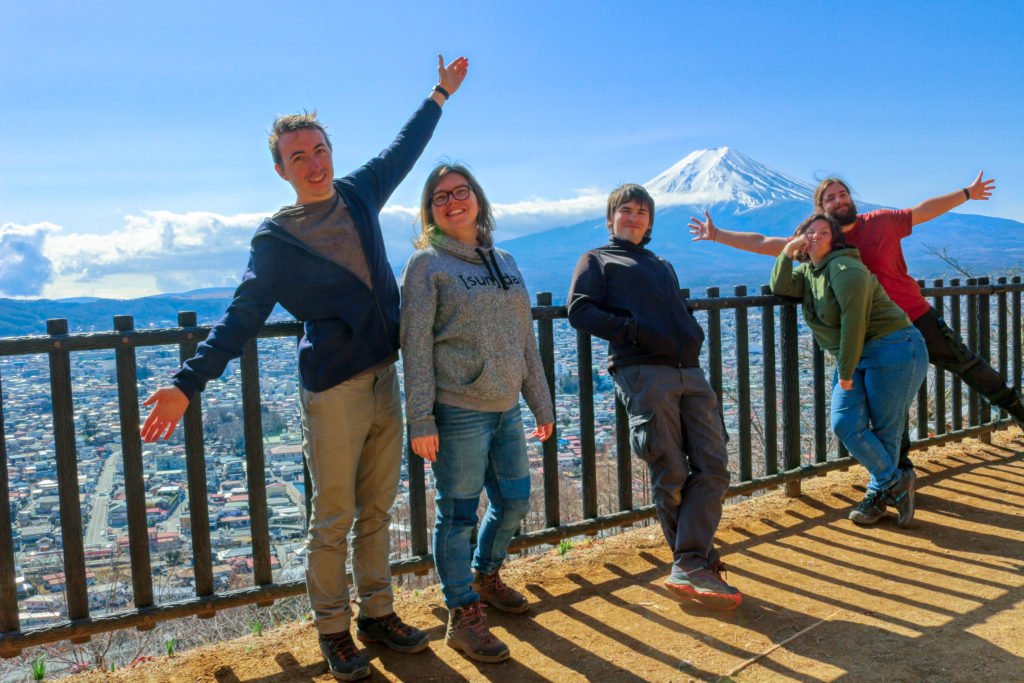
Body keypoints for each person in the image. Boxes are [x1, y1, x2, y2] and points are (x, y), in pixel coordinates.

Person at [140, 55, 469, 682]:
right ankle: (333, 630)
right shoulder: (276, 241)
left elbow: (404, 149)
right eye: (300, 157)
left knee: (378, 508)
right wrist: (188, 382)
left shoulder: (357, 192)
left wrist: (439, 94)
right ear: (280, 170)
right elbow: (241, 317)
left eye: (320, 149)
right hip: (335, 390)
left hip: (384, 376)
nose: (315, 164)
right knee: (333, 516)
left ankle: (377, 613)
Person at [689, 173, 1024, 471]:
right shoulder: (818, 239)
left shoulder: (881, 221)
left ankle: (1016, 408)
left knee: (966, 364)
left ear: (851, 198)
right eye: (829, 198)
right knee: (886, 404)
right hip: (869, 333)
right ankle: (897, 472)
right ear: (821, 208)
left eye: (842, 194)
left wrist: (967, 192)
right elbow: (766, 243)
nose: (839, 200)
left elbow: (923, 211)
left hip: (915, 315)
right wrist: (717, 234)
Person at [400, 163, 554, 662]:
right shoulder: (426, 265)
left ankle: (486, 574)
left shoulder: (505, 259)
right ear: (429, 211)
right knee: (458, 513)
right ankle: (462, 612)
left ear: (478, 199)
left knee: (514, 502)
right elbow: (416, 346)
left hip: (507, 405)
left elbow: (524, 338)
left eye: (460, 192)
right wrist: (420, 419)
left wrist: (540, 402)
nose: (451, 202)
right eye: (439, 197)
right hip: (458, 408)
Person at [567, 183, 741, 609]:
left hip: (689, 371)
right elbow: (579, 309)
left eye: (642, 213)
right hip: (643, 370)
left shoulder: (661, 263)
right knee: (671, 468)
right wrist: (635, 332)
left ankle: (692, 559)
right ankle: (691, 562)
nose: (634, 217)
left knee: (714, 465)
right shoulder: (597, 259)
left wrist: (686, 328)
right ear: (611, 219)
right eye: (625, 210)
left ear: (649, 223)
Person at [770, 214, 928, 526]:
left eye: (823, 232)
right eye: (808, 231)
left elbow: (854, 323)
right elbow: (781, 284)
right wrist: (788, 250)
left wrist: (844, 372)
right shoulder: (809, 273)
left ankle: (877, 497)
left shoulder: (845, 269)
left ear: (835, 239)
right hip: (857, 355)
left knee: (885, 431)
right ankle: (897, 482)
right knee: (845, 423)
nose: (814, 236)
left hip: (893, 348)